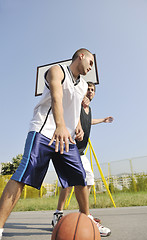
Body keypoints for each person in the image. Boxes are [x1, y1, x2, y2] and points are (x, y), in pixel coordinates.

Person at [0, 48, 96, 239]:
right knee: (22, 176)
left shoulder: (83, 85)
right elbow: (56, 97)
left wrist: (77, 126)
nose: (91, 67)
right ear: (81, 56)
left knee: (80, 178)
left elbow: (75, 107)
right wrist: (60, 125)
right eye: (91, 62)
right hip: (44, 132)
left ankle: (87, 219)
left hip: (65, 138)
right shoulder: (57, 70)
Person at [52, 82, 113, 237]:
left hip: (81, 151)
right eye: (88, 89)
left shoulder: (89, 109)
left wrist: (104, 120)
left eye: (93, 90)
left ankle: (84, 213)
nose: (90, 91)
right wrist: (79, 100)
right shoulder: (77, 103)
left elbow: (89, 121)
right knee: (68, 184)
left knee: (89, 179)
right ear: (83, 91)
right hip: (70, 147)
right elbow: (69, 111)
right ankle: (58, 214)